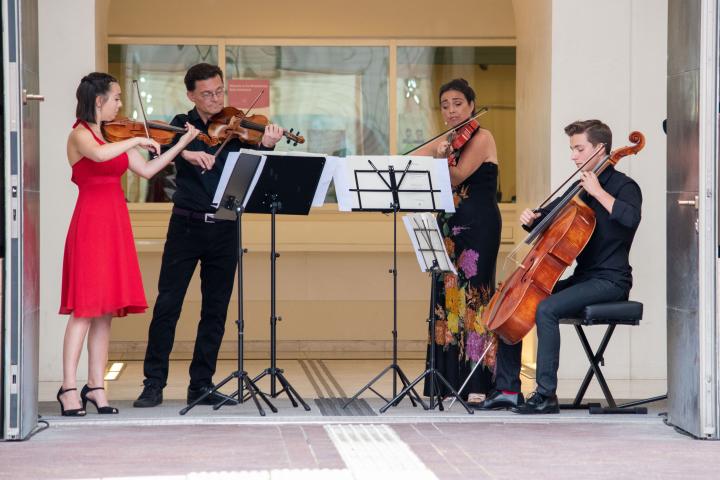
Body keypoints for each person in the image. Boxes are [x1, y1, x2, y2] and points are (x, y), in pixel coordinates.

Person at [134, 63, 283, 407]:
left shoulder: (237, 126)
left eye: (219, 91)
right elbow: (155, 151)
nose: (216, 100)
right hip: (185, 225)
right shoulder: (178, 124)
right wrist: (187, 149)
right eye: (207, 94)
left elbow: (255, 171)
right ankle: (153, 383)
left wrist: (269, 146)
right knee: (168, 305)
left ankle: (201, 384)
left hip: (226, 224)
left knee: (215, 310)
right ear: (191, 95)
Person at [478, 119, 643, 414]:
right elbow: (550, 218)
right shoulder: (580, 189)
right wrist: (534, 218)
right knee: (517, 301)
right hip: (584, 279)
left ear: (600, 149)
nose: (574, 156)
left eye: (579, 149)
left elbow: (630, 218)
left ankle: (545, 395)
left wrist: (599, 192)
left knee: (546, 308)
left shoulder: (624, 186)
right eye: (573, 149)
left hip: (611, 282)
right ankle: (507, 389)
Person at [58, 72, 199, 416]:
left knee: (105, 314)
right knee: (84, 310)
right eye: (116, 98)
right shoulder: (79, 135)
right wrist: (135, 141)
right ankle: (68, 388)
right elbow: (102, 156)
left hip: (115, 223)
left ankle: (96, 388)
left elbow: (149, 171)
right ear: (98, 100)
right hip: (91, 223)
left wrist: (182, 144)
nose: (121, 105)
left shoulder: (112, 135)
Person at [413, 78, 501, 404]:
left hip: (478, 226)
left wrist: (440, 156)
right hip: (449, 227)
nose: (451, 110)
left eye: (458, 104)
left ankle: (478, 383)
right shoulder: (445, 139)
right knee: (449, 299)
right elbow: (405, 160)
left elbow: (456, 176)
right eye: (445, 105)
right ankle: (449, 381)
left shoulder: (482, 136)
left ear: (471, 105)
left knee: (474, 300)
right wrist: (434, 150)